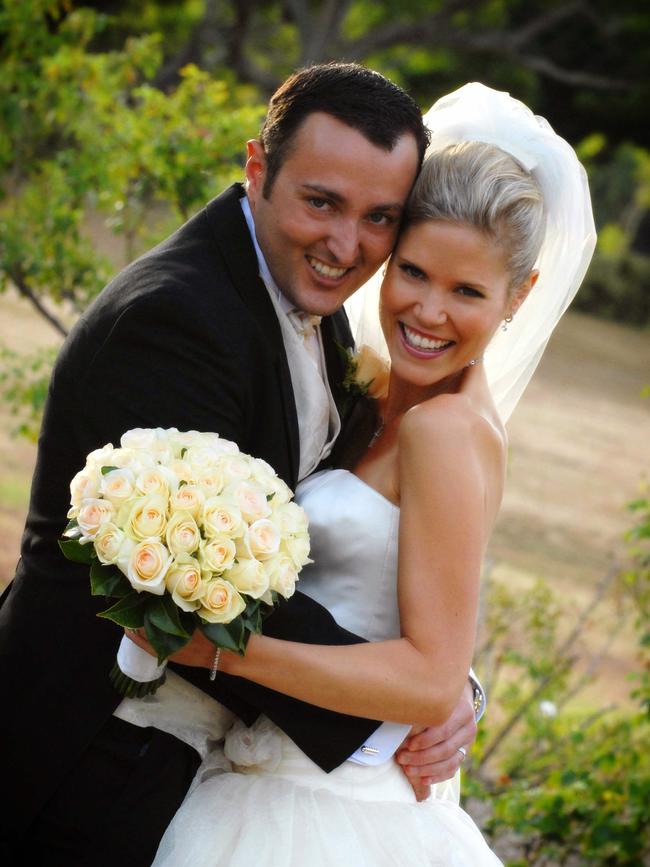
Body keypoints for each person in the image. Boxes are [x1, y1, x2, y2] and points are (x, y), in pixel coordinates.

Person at [0, 63, 482, 866]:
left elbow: (367, 544)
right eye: (321, 202)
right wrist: (414, 700)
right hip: (84, 754)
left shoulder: (314, 309)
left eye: (378, 218)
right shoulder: (175, 319)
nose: (344, 245)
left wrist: (445, 684)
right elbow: (219, 588)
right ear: (257, 166)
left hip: (191, 762)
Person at [133, 82, 596, 866]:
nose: (428, 312)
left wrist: (215, 647)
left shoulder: (448, 431)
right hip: (258, 768)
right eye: (413, 272)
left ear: (521, 296)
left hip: (330, 808)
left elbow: (427, 677)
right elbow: (405, 605)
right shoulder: (367, 385)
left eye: (468, 291)